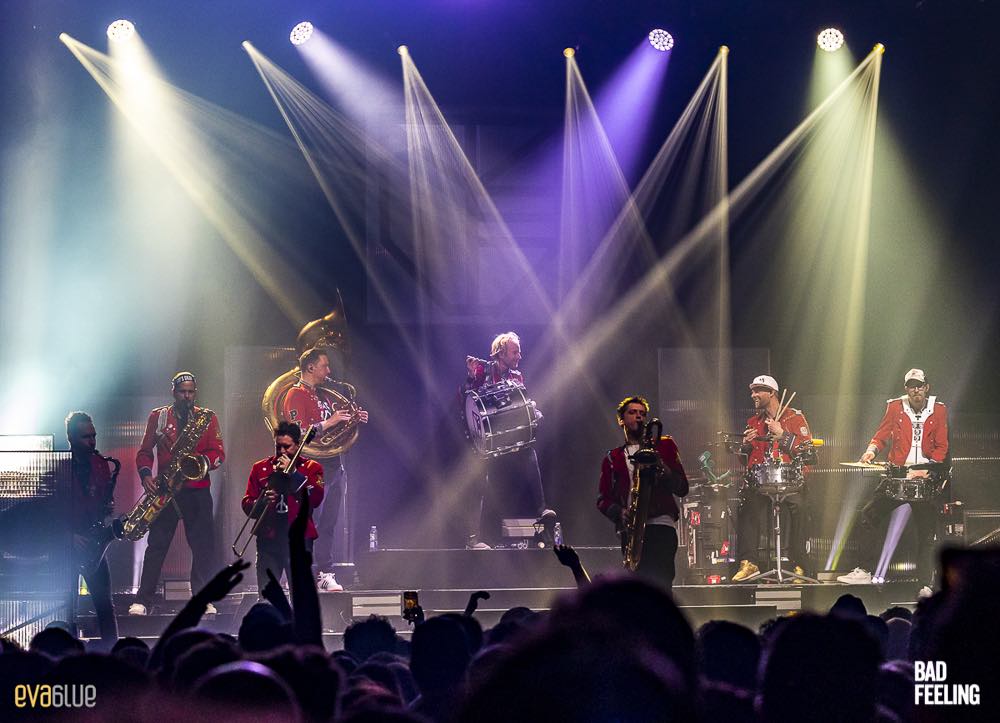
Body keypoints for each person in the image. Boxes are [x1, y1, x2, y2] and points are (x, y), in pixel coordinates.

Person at [837, 368, 949, 588]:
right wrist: (871, 451)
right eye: (911, 386)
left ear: (926, 387)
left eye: (919, 386)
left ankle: (925, 585)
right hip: (897, 474)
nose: (915, 391)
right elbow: (881, 435)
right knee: (869, 515)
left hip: (924, 478)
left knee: (927, 532)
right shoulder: (895, 406)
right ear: (906, 388)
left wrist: (927, 470)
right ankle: (864, 571)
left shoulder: (938, 409)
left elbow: (941, 446)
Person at [129, 372, 225, 615]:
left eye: (191, 392)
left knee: (202, 547)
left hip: (197, 490)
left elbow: (218, 453)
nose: (187, 396)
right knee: (157, 546)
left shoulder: (207, 418)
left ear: (196, 392)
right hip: (166, 489)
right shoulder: (158, 416)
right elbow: (144, 452)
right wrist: (145, 475)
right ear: (173, 392)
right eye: (183, 392)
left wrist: (201, 461)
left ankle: (202, 599)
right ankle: (143, 600)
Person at [282, 346, 368, 591]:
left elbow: (333, 428)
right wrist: (330, 421)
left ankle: (324, 572)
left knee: (329, 523)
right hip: (310, 466)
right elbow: (297, 433)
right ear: (310, 367)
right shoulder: (295, 395)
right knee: (309, 522)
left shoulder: (324, 395)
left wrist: (352, 419)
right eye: (324, 366)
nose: (328, 371)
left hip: (333, 465)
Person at [463, 332, 547, 547]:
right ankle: (475, 538)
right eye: (515, 352)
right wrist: (471, 375)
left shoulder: (517, 377)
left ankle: (542, 510)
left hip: (506, 438)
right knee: (483, 484)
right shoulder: (482, 371)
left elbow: (520, 406)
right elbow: (469, 399)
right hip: (485, 440)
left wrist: (533, 412)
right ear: (501, 353)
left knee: (529, 450)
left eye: (519, 351)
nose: (519, 356)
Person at [596, 396, 689, 590]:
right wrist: (619, 512)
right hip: (632, 530)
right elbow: (603, 499)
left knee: (662, 585)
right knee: (638, 588)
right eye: (632, 412)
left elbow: (682, 488)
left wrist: (663, 468)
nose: (638, 417)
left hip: (661, 525)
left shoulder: (665, 445)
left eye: (642, 413)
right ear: (621, 420)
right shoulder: (612, 458)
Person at [732, 375, 813, 582]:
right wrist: (745, 446)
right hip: (762, 482)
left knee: (800, 507)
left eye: (758, 390)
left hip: (791, 481)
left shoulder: (794, 417)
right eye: (752, 391)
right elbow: (747, 461)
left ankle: (800, 565)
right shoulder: (753, 422)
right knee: (746, 504)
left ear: (772, 393)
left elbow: (808, 452)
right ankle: (749, 563)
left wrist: (783, 435)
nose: (753, 395)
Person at [242, 421, 325, 592]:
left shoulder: (312, 468)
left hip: (299, 539)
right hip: (269, 537)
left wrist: (293, 473)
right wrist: (262, 501)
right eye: (278, 446)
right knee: (267, 594)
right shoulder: (261, 468)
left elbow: (315, 499)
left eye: (287, 447)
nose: (282, 451)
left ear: (297, 445)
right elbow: (247, 504)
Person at [66, 411, 119, 647]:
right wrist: (68, 535)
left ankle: (112, 653)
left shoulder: (101, 464)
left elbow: (102, 499)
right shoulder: (59, 466)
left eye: (94, 436)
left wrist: (108, 506)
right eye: (86, 437)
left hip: (94, 541)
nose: (92, 442)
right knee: (67, 606)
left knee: (105, 606)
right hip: (67, 546)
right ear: (71, 438)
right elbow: (47, 511)